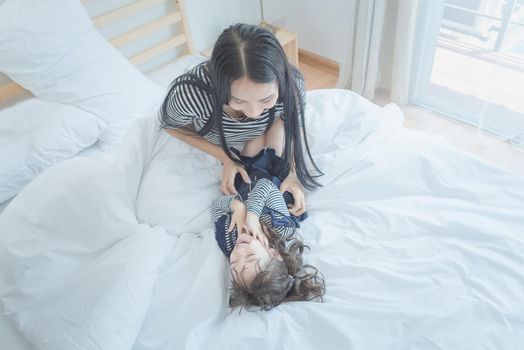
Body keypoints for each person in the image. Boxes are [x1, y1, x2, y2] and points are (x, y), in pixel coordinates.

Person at [159, 23, 323, 217]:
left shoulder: (292, 86)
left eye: (266, 99)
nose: (254, 113)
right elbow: (170, 125)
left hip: (272, 126)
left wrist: (294, 174)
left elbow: (295, 124)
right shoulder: (192, 96)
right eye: (238, 100)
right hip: (225, 135)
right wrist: (224, 155)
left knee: (275, 162)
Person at [211, 175, 325, 311]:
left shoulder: (228, 243)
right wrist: (252, 215)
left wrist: (237, 207)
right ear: (273, 253)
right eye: (250, 256)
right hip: (269, 175)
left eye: (234, 264)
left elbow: (216, 207)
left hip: (239, 182)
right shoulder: (280, 228)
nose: (239, 252)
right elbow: (265, 184)